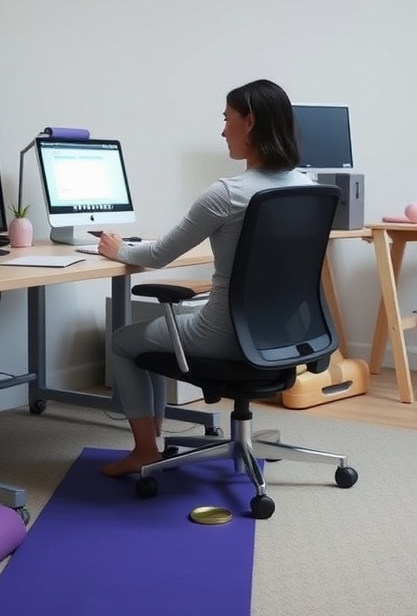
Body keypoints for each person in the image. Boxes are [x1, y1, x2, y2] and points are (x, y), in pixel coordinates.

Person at [96, 78, 313, 477]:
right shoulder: (308, 187)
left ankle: (146, 448)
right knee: (160, 329)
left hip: (226, 336)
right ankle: (156, 443)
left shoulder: (226, 194)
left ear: (248, 122)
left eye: (226, 118)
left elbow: (160, 255)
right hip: (286, 334)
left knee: (124, 341)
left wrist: (118, 249)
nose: (222, 129)